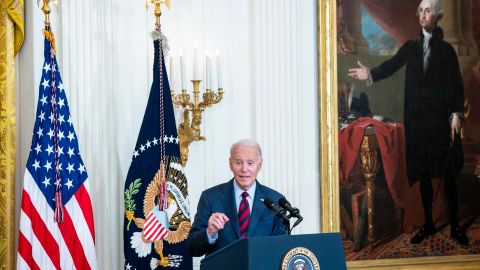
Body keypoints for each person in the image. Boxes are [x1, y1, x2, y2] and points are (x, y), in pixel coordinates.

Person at [348, 0, 467, 245]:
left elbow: (456, 83)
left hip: (441, 122)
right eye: (421, 11)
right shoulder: (411, 47)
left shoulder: (446, 50)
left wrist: (456, 114)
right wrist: (369, 74)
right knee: (423, 174)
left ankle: (455, 226)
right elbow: (391, 66)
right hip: (418, 122)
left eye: (428, 11)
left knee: (448, 175)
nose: (424, 15)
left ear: (437, 16)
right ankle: (429, 225)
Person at [186, 139, 287, 257]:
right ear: (230, 164)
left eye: (250, 163)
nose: (244, 169)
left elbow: (281, 250)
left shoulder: (276, 200)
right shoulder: (210, 198)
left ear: (259, 165)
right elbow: (192, 249)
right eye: (238, 162)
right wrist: (210, 232)